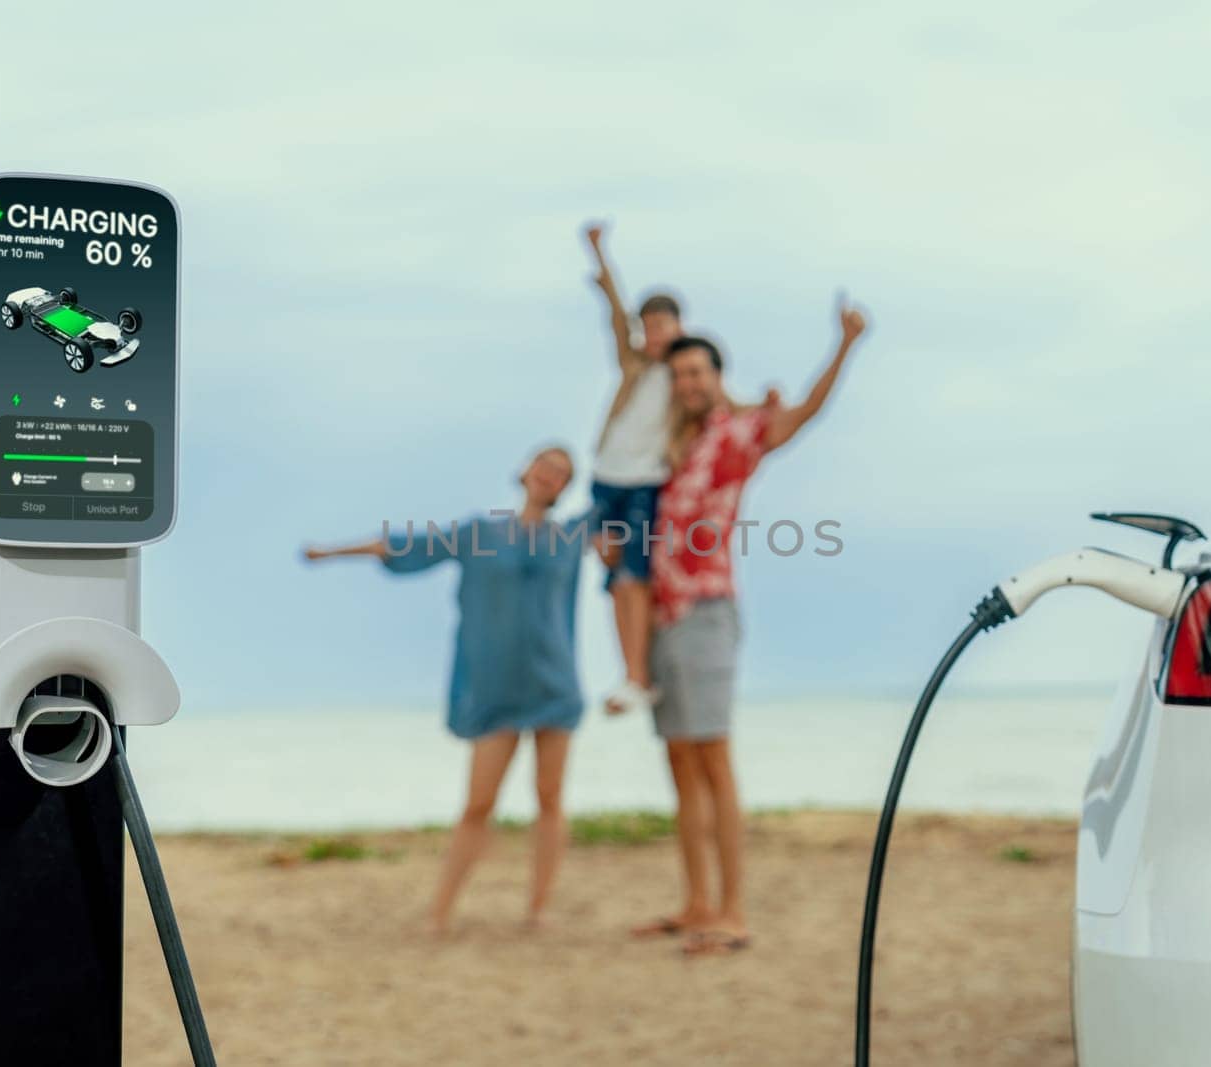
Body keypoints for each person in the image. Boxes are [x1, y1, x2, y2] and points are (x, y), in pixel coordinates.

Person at [637, 299, 869, 955]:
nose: (687, 385)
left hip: (708, 609)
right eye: (678, 376)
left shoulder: (740, 433)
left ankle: (733, 911)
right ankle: (696, 901)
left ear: (716, 376)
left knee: (712, 757)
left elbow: (803, 415)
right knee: (679, 760)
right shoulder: (672, 447)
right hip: (661, 613)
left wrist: (844, 344)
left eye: (696, 375)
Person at [301, 446, 586, 935]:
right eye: (544, 464)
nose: (550, 475)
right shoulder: (479, 533)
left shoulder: (571, 541)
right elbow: (404, 546)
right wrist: (330, 553)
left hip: (553, 683)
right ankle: (440, 913)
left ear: (566, 488)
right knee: (478, 804)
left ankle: (538, 911)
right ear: (523, 471)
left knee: (550, 798)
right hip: (495, 688)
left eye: (562, 472)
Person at [582, 221, 683, 719]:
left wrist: (768, 405)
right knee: (614, 576)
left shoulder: (686, 370)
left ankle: (639, 677)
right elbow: (615, 316)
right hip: (605, 477)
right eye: (648, 327)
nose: (653, 334)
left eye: (663, 325)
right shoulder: (634, 364)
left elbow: (728, 404)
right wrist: (600, 256)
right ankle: (630, 674)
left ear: (679, 327)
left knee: (634, 576)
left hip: (645, 483)